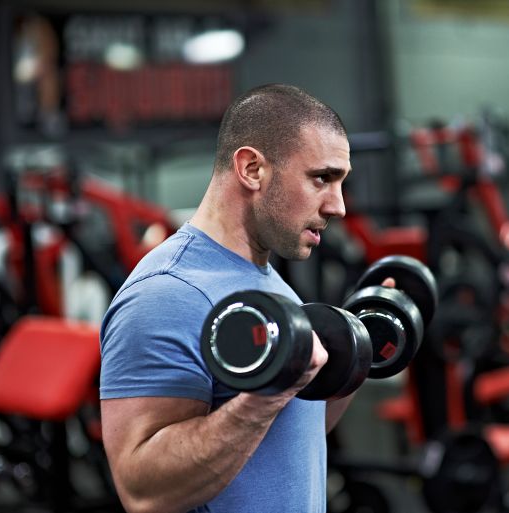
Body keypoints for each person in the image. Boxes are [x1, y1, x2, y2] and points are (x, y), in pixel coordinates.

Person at [100, 84, 365, 513]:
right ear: (252, 169)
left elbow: (286, 444)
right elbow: (142, 490)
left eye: (341, 183)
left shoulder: (268, 282)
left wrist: (354, 360)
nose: (338, 207)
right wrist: (266, 395)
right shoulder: (167, 294)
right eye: (322, 178)